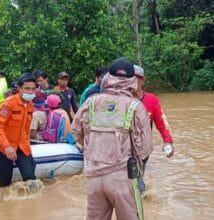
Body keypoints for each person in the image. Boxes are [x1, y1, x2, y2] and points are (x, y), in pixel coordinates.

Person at [71, 57, 153, 220]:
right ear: (132, 80)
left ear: (108, 77)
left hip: (94, 178)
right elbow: (144, 148)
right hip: (123, 178)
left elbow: (76, 133)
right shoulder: (135, 106)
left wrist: (94, 149)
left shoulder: (91, 103)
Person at [134, 64, 175, 193]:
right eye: (131, 78)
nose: (135, 82)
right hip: (122, 148)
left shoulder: (152, 100)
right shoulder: (120, 100)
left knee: (137, 179)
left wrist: (168, 142)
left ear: (143, 80)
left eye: (138, 78)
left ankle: (141, 204)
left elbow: (162, 122)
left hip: (143, 148)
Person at [0, 72, 37, 187]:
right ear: (19, 88)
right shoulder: (8, 104)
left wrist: (28, 148)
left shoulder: (31, 105)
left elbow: (26, 128)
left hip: (22, 146)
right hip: (4, 147)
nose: (30, 92)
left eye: (33, 89)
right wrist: (6, 146)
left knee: (30, 178)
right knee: (5, 183)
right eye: (27, 88)